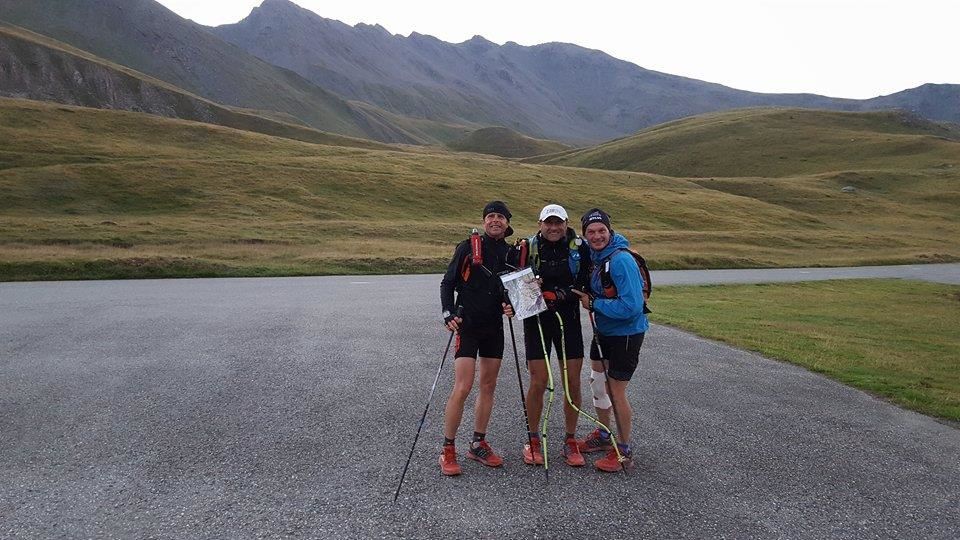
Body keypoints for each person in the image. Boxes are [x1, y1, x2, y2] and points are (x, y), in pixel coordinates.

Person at [438, 201, 516, 476]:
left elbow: (515, 291)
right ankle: (448, 448)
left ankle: (478, 443)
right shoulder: (468, 247)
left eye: (500, 217)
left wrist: (512, 306)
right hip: (467, 324)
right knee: (463, 386)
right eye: (490, 216)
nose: (495, 220)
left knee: (488, 386)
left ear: (507, 223)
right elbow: (448, 283)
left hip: (494, 326)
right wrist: (448, 313)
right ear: (484, 222)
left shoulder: (512, 252)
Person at [571, 208, 649, 472]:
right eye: (591, 232)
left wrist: (595, 303)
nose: (596, 236)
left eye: (601, 230)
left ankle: (624, 451)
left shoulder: (620, 260)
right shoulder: (595, 257)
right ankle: (604, 435)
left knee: (616, 393)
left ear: (610, 230)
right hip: (604, 332)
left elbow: (632, 307)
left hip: (626, 334)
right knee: (597, 384)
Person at [516, 204, 590, 467]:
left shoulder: (579, 249)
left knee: (573, 382)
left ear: (566, 223)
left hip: (568, 320)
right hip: (537, 321)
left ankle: (570, 441)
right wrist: (529, 287)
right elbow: (515, 286)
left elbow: (583, 284)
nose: (554, 227)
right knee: (539, 381)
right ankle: (533, 439)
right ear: (540, 223)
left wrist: (560, 295)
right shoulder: (527, 248)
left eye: (558, 223)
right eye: (549, 222)